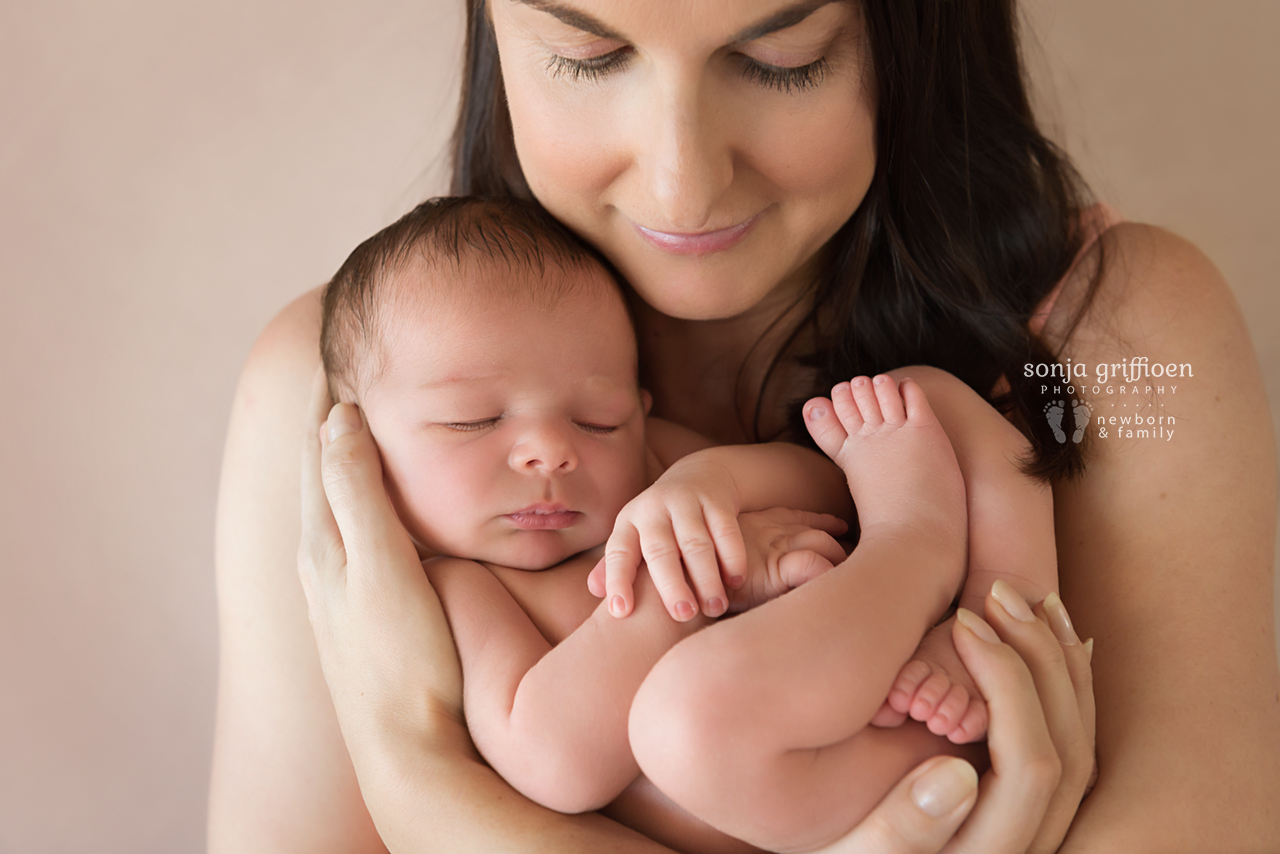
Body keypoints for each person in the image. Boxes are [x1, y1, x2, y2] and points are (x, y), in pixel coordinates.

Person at [207, 1, 1280, 852]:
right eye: (586, 54)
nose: (682, 179)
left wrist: (433, 790)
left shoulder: (1112, 333)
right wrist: (419, 779)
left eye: (783, 57)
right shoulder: (350, 402)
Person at [317, 194, 1063, 851]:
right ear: (365, 452)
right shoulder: (462, 589)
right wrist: (690, 580)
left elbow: (834, 489)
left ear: (639, 413)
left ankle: (986, 620)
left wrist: (716, 479)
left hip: (903, 668)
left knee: (918, 401)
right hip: (823, 784)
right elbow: (554, 759)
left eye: (596, 418)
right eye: (471, 421)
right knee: (688, 725)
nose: (551, 450)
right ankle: (917, 545)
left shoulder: (650, 471)